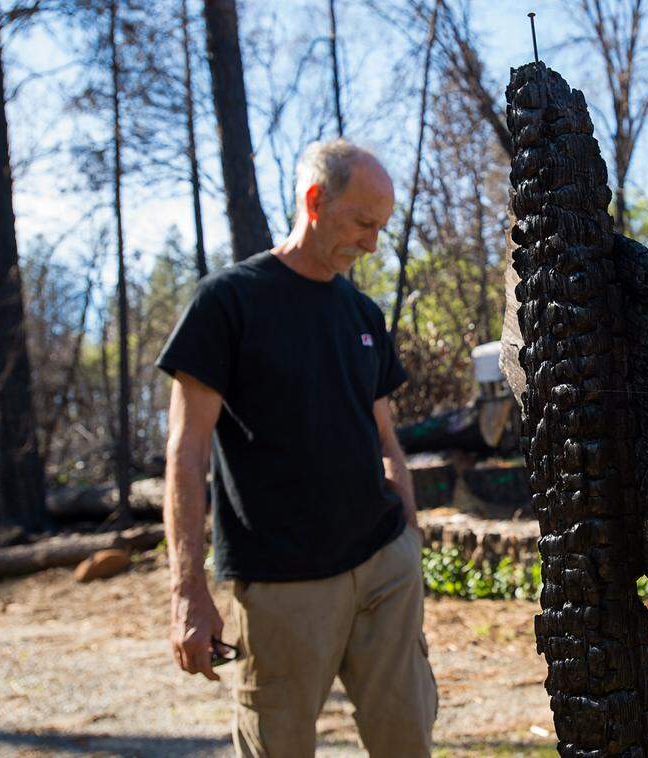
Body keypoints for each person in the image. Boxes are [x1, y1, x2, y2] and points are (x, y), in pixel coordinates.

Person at [156, 139, 437, 757]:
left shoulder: (363, 314)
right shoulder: (226, 303)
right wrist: (188, 591)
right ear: (315, 200)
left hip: (384, 568)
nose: (372, 243)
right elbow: (187, 452)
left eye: (380, 228)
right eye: (363, 223)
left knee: (408, 742)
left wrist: (410, 545)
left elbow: (387, 440)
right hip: (283, 584)